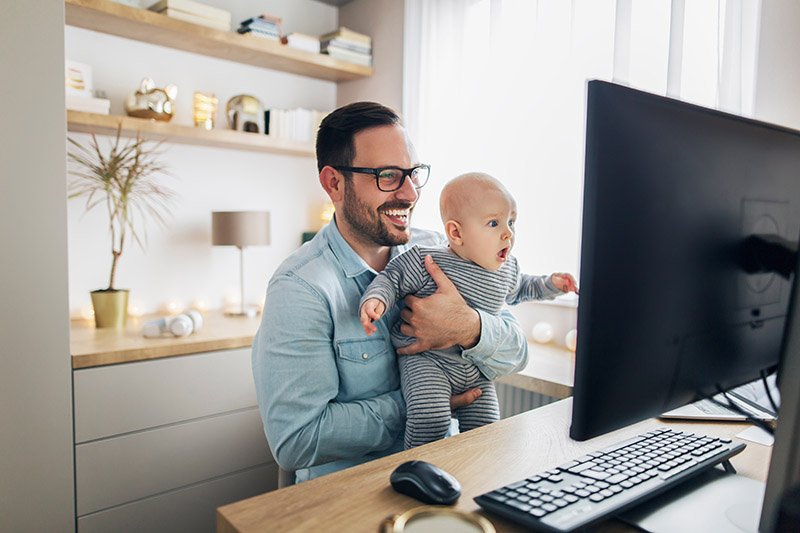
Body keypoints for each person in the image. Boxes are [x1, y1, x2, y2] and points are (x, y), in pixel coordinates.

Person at [251, 102, 530, 483]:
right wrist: (420, 403)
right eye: (387, 176)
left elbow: (518, 354)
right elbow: (297, 440)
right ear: (334, 183)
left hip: (445, 478)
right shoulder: (300, 289)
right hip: (351, 499)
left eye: (413, 174)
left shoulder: (442, 254)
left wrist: (469, 327)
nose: (410, 193)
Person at [359, 172, 579, 448]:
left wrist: (553, 284)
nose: (508, 233)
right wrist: (376, 300)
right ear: (456, 233)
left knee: (488, 429)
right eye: (494, 223)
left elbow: (523, 289)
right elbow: (392, 279)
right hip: (429, 362)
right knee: (431, 419)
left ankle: (479, 479)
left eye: (511, 222)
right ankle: (416, 469)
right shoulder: (428, 259)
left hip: (476, 366)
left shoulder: (506, 268)